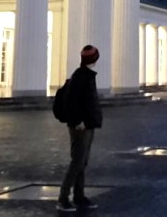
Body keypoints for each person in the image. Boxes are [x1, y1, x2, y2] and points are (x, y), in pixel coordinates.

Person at [57, 45, 103, 212]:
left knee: (82, 162)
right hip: (81, 126)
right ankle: (63, 199)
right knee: (77, 162)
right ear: (94, 59)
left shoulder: (87, 76)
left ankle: (79, 196)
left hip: (88, 125)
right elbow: (72, 102)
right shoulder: (80, 76)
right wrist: (78, 121)